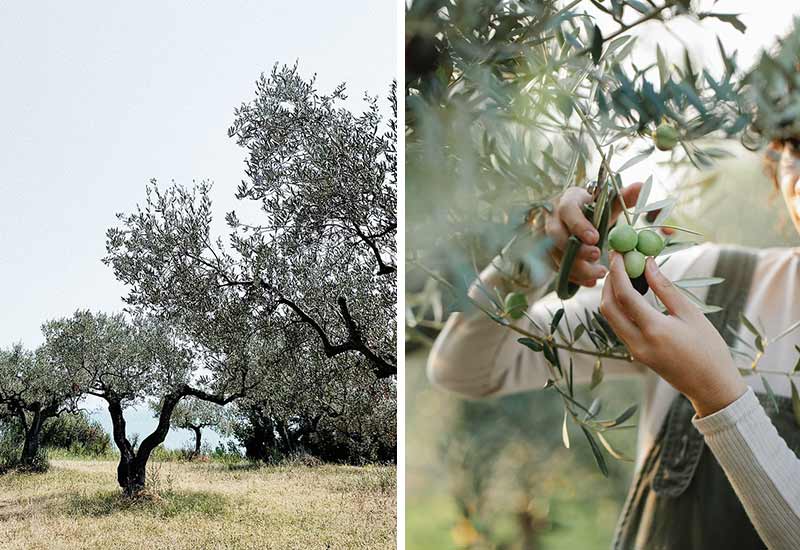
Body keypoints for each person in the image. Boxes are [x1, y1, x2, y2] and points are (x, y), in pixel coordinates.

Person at [428, 142, 800, 549]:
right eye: (796, 144)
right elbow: (465, 369)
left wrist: (718, 397)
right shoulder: (708, 283)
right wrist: (533, 258)